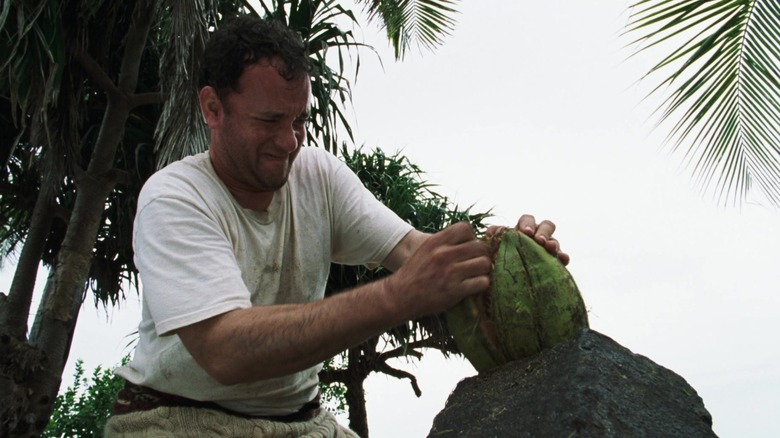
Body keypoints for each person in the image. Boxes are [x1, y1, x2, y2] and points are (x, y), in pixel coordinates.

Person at [104, 15, 568, 438]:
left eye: (300, 120)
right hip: (175, 420)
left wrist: (508, 256)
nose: (289, 142)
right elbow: (224, 349)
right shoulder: (176, 198)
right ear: (212, 108)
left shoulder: (317, 175)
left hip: (303, 422)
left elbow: (414, 252)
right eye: (269, 121)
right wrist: (397, 295)